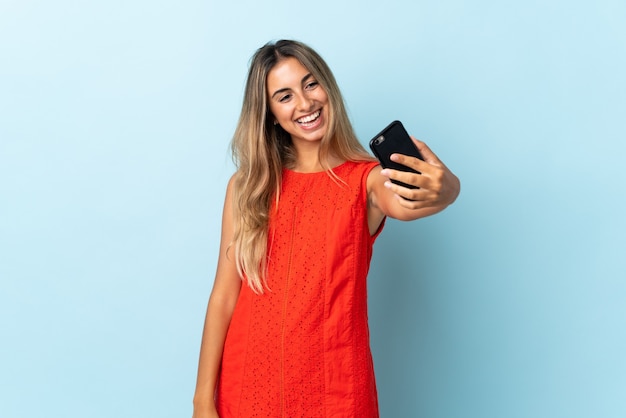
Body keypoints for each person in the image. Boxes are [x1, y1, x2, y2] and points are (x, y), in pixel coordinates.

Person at [192, 39, 460, 418]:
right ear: (269, 113)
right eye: (284, 96)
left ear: (328, 88)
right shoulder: (247, 186)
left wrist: (450, 188)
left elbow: (416, 201)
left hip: (335, 394)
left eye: (311, 84)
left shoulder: (367, 181)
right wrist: (202, 401)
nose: (304, 103)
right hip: (247, 387)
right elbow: (223, 297)